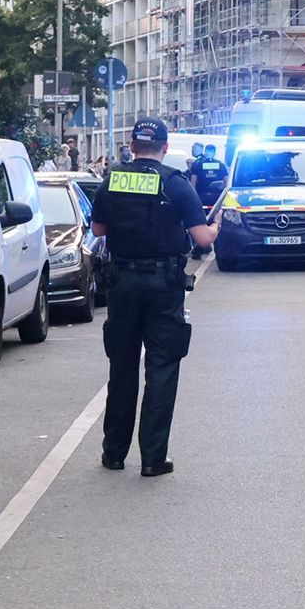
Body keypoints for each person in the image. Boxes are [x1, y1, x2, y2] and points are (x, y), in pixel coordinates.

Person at [88, 117, 217, 477]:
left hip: (122, 283)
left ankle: (113, 453)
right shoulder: (175, 184)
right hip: (163, 285)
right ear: (163, 148)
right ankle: (152, 459)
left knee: (122, 367)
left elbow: (98, 228)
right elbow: (203, 239)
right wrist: (217, 226)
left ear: (131, 146)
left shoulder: (112, 179)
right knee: (161, 367)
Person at [190, 143, 229, 211]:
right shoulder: (220, 165)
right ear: (214, 153)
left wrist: (193, 196)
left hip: (201, 195)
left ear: (205, 152)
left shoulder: (198, 164)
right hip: (217, 197)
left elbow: (193, 181)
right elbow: (226, 182)